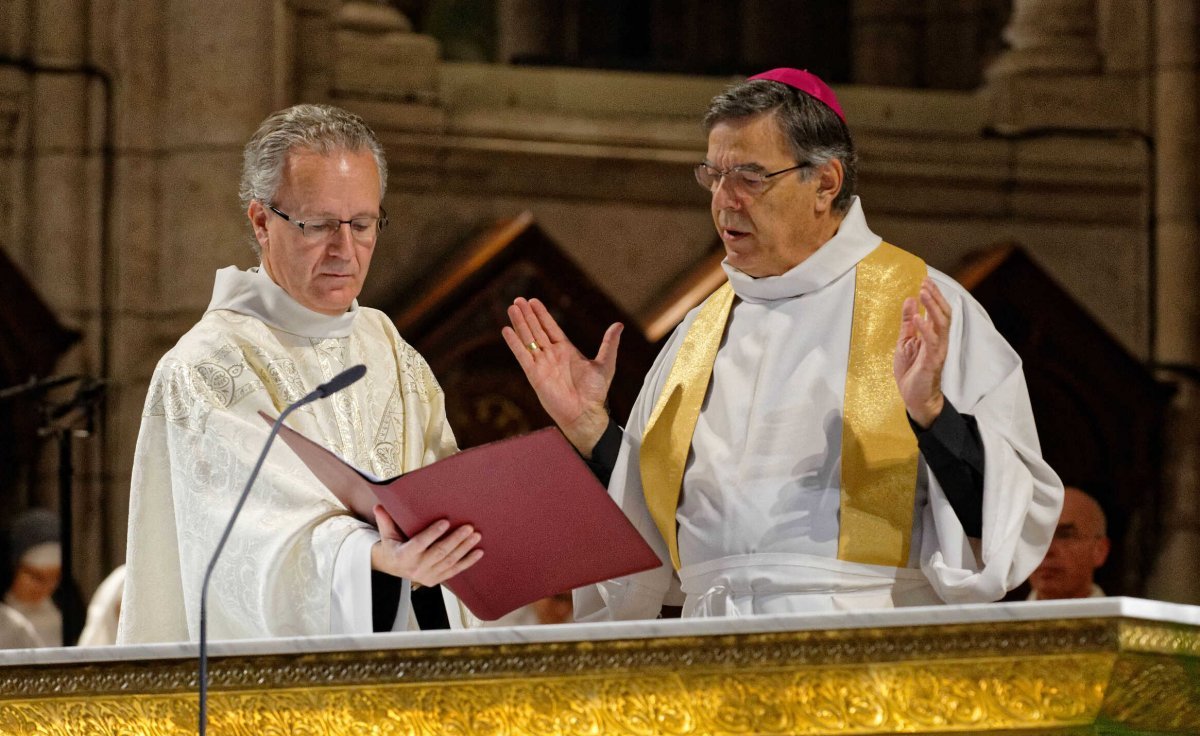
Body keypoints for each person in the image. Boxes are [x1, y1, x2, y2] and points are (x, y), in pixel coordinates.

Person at [504, 68, 1062, 619]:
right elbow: (650, 539)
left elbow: (1009, 519)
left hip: (862, 637)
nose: (724, 201)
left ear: (825, 183)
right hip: (708, 644)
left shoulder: (923, 306)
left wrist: (933, 416)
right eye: (713, 176)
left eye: (750, 176)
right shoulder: (699, 334)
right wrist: (592, 431)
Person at [118, 105, 482, 644]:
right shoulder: (207, 367)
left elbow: (441, 487)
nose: (344, 250)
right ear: (261, 221)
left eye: (362, 225)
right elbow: (239, 547)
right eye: (318, 225)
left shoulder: (389, 349)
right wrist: (374, 558)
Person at [1026, 487, 1109, 600]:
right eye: (1037, 535)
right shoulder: (996, 617)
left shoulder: (1124, 618)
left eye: (1064, 536)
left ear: (1100, 550)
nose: (1046, 550)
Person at [2, 508, 62, 645]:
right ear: (15, 569)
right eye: (37, 577)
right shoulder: (5, 618)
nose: (47, 587)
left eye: (55, 577)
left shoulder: (65, 614)